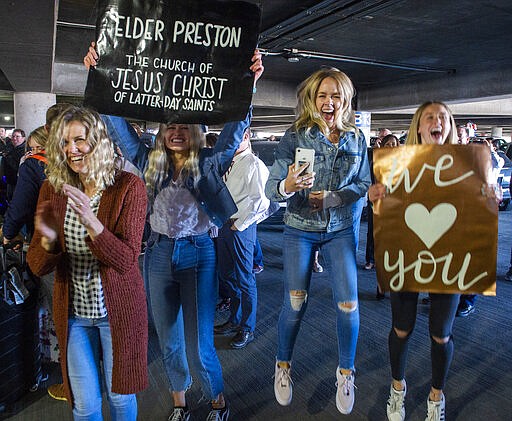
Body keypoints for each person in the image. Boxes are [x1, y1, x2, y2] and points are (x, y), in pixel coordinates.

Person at [84, 42, 263, 421]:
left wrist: (249, 84)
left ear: (196, 132)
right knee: (169, 340)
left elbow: (234, 132)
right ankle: (180, 403)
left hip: (200, 254)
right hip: (161, 255)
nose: (177, 131)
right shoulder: (149, 161)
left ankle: (217, 400)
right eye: (171, 126)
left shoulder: (209, 162)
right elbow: (117, 127)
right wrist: (98, 74)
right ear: (163, 132)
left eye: (185, 126)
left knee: (200, 345)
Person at [26, 106, 148, 420]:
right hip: (74, 316)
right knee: (85, 406)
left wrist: (93, 223)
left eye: (79, 140)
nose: (71, 150)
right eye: (64, 143)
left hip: (117, 314)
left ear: (98, 141)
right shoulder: (53, 189)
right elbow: (38, 265)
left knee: (120, 400)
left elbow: (126, 259)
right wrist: (49, 238)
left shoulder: (128, 187)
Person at [265, 67, 370, 415]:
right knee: (295, 303)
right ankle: (283, 366)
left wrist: (333, 199)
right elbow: (271, 188)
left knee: (349, 305)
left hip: (340, 229)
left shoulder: (356, 139)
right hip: (299, 227)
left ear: (345, 100)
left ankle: (345, 372)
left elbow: (363, 185)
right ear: (313, 99)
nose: (329, 101)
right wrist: (288, 186)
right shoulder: (296, 135)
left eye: (336, 95)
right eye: (322, 95)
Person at [369, 101, 461, 421]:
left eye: (443, 118)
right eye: (429, 117)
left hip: (450, 258)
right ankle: (398, 388)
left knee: (441, 333)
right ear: (419, 127)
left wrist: (488, 198)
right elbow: (389, 214)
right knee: (402, 328)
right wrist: (377, 198)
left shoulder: (466, 167)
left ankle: (436, 395)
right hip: (407, 255)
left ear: (449, 126)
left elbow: (475, 218)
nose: (437, 122)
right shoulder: (398, 165)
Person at [214, 128, 272, 349]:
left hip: (241, 226)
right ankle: (235, 319)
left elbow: (262, 201)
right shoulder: (230, 162)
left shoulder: (254, 164)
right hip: (225, 224)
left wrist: (239, 224)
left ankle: (247, 327)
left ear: (246, 137)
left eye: (235, 138)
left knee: (245, 278)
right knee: (226, 275)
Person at [4, 128, 26, 201]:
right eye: (13, 136)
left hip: (19, 183)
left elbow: (19, 167)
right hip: (10, 181)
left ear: (23, 138)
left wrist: (8, 157)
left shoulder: (25, 151)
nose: (14, 138)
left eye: (17, 136)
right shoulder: (10, 147)